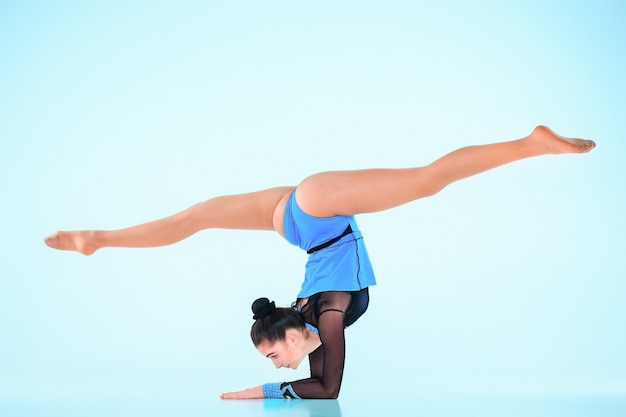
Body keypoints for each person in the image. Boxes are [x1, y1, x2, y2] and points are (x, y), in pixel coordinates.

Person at [44, 126, 595, 399]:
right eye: (271, 357)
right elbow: (323, 385)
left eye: (272, 353)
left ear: (290, 332)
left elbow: (324, 385)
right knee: (195, 218)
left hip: (316, 210)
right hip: (295, 222)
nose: (276, 363)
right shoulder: (317, 316)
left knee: (428, 181)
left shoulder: (325, 315)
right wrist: (264, 392)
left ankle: (531, 143)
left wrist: (258, 395)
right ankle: (99, 238)